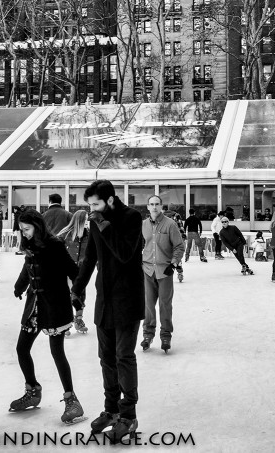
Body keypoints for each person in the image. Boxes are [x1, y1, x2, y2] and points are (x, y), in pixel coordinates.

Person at [72, 180, 144, 444]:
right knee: (106, 357)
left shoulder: (132, 217)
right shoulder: (97, 221)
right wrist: (78, 288)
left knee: (123, 356)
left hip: (127, 299)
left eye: (96, 204)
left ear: (110, 200)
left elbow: (125, 253)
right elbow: (90, 257)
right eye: (89, 205)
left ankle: (129, 416)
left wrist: (104, 225)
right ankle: (111, 410)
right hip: (105, 299)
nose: (92, 210)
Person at [9, 210, 85, 425]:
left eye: (27, 229)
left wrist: (78, 295)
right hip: (35, 304)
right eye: (21, 230)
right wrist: (19, 286)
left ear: (38, 226)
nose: (24, 233)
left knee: (56, 352)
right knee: (21, 348)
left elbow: (73, 270)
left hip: (55, 304)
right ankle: (32, 390)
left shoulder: (54, 245)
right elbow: (27, 267)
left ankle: (72, 401)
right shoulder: (30, 244)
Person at [141, 196, 185, 356]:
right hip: (147, 270)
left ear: (161, 206)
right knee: (148, 305)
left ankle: (166, 336)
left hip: (164, 271)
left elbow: (179, 246)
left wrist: (173, 264)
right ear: (147, 207)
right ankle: (147, 335)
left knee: (165, 305)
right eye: (151, 204)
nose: (154, 207)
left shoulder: (170, 224)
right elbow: (139, 245)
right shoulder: (144, 225)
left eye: (157, 204)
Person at [58, 209, 89, 334]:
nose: (87, 223)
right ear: (79, 221)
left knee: (80, 296)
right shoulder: (65, 234)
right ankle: (64, 322)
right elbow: (54, 247)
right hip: (65, 270)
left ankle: (79, 320)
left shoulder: (90, 235)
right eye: (86, 220)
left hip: (81, 271)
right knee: (65, 296)